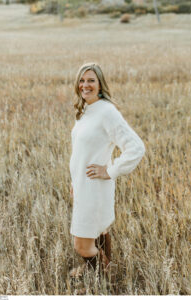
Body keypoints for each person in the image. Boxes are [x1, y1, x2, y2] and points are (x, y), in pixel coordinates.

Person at [69, 62, 145, 278]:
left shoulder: (106, 112)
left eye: (91, 80)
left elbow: (136, 147)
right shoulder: (87, 110)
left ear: (100, 84)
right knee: (99, 229)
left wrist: (110, 171)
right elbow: (83, 151)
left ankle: (97, 277)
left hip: (95, 188)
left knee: (82, 245)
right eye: (82, 80)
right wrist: (75, 181)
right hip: (84, 185)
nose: (85, 85)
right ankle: (106, 268)